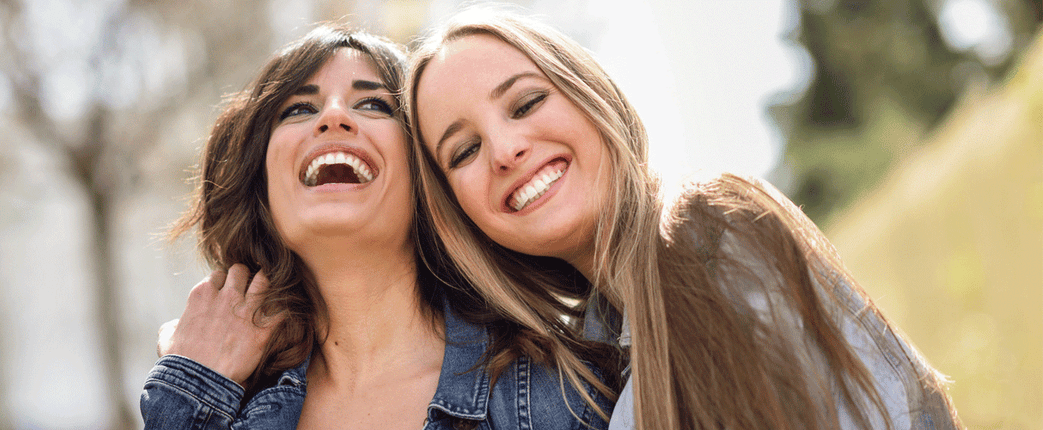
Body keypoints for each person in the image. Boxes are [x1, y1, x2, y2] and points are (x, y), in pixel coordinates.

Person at [405, 10, 962, 430]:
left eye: (525, 104)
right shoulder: (589, 373)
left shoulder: (710, 233)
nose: (504, 150)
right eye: (464, 151)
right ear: (459, 216)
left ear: (588, 96)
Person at [140, 24, 617, 429]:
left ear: (427, 177)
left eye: (373, 105)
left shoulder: (565, 391)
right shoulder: (220, 400)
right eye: (298, 109)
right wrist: (191, 389)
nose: (332, 117)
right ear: (262, 186)